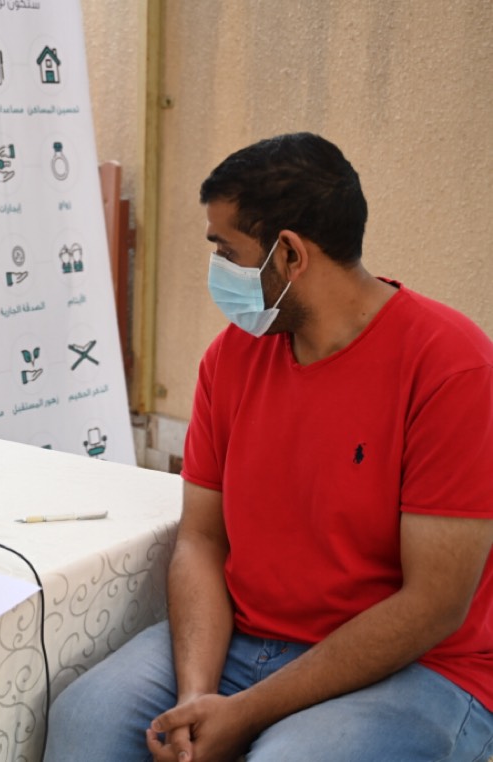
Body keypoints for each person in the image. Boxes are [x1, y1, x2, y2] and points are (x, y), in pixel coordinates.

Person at [43, 133, 493, 761]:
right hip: (246, 641)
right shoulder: (230, 359)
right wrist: (196, 700)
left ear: (289, 253)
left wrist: (246, 713)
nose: (216, 268)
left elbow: (433, 606)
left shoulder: (452, 369)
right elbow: (202, 539)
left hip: (417, 669)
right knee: (85, 719)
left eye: (226, 249)